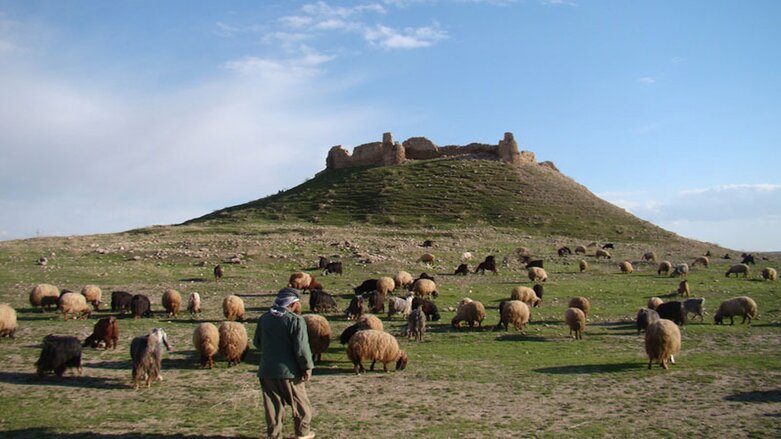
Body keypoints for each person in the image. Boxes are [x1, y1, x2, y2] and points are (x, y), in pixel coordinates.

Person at [253, 288, 315, 439]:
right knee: (301, 404)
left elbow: (257, 343)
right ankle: (302, 433)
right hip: (290, 372)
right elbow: (301, 348)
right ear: (293, 304)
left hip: (267, 370)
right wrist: (307, 367)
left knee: (273, 406)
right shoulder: (295, 320)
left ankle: (274, 435)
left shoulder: (264, 318)